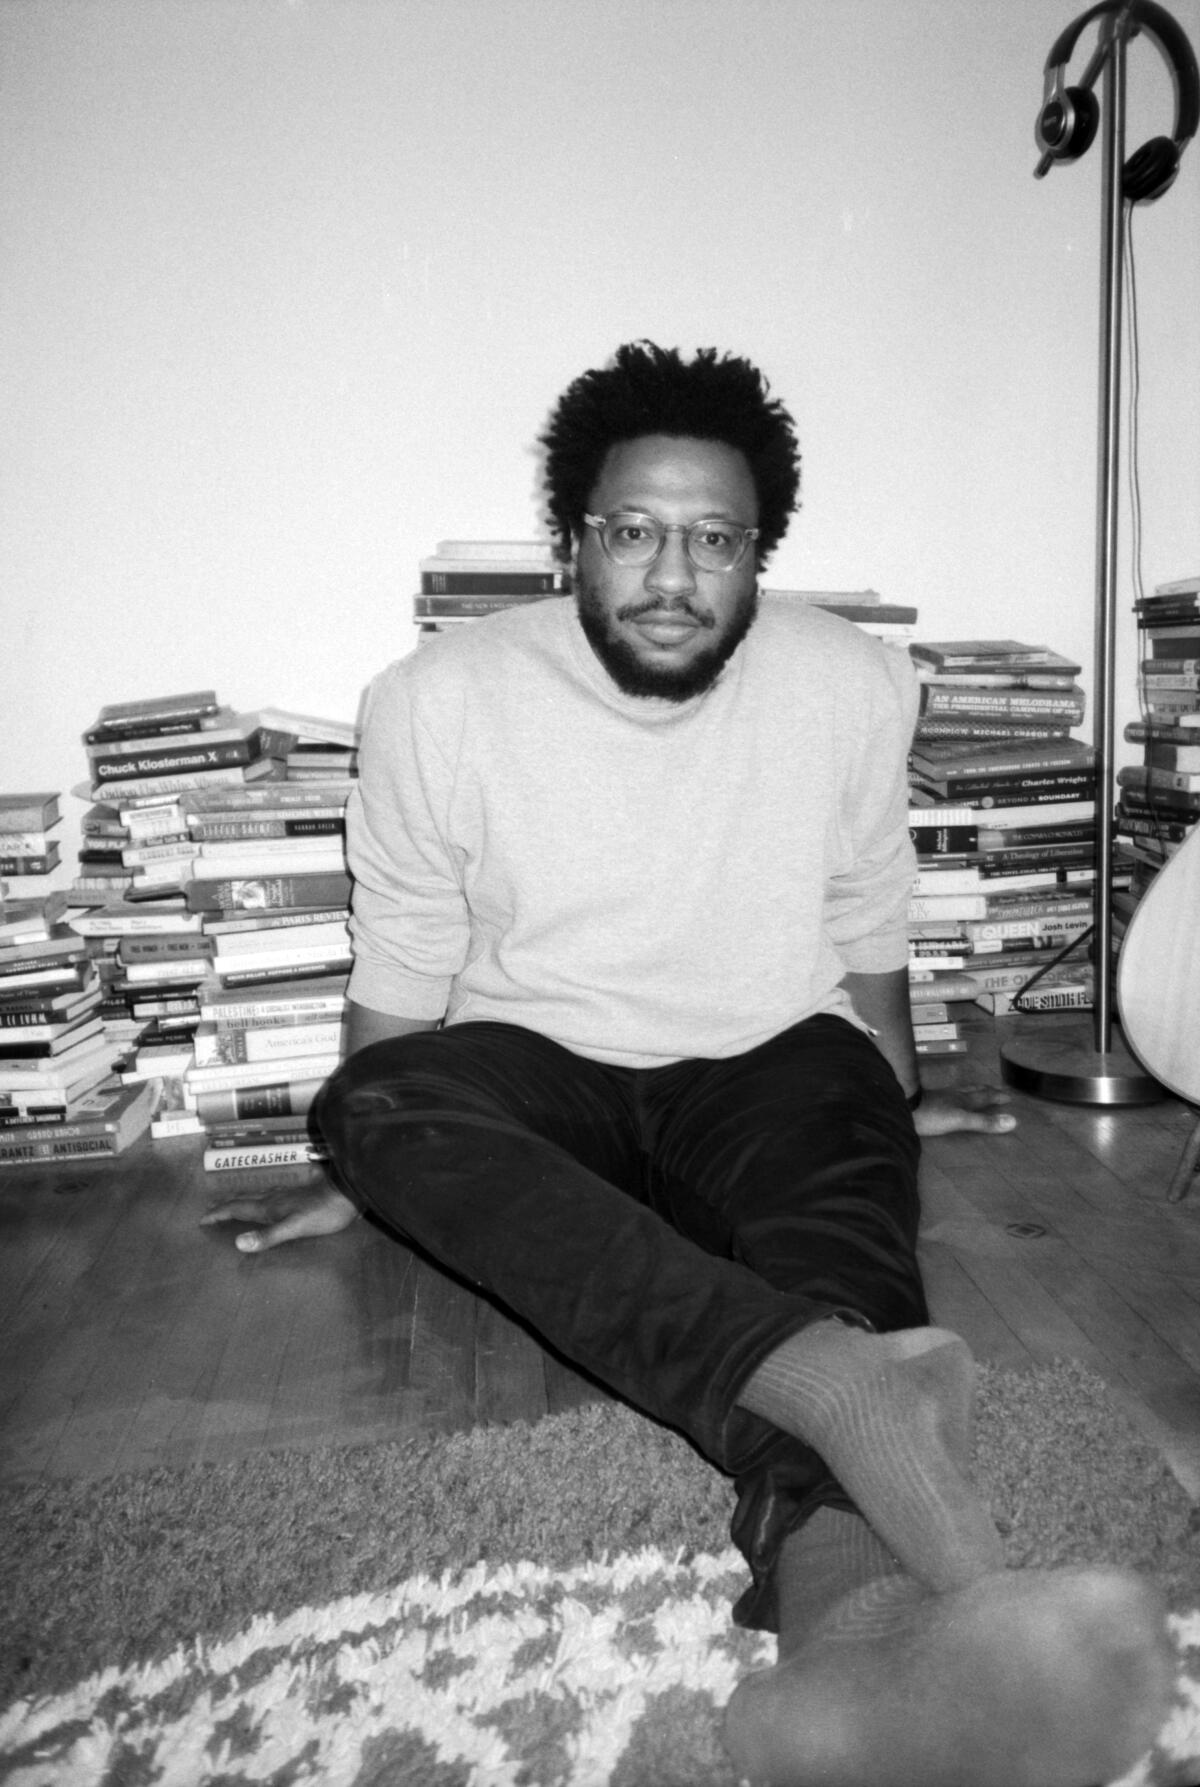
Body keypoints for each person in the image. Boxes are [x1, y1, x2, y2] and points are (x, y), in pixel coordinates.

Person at [204, 343, 1173, 1786]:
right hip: (538, 1065)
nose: (672, 573)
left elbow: (866, 904)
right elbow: (403, 958)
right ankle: (832, 1383)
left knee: (837, 1213)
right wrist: (373, 1174)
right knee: (374, 1104)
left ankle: (846, 1657)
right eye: (634, 532)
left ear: (757, 554)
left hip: (769, 1056)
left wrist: (891, 1104)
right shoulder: (436, 696)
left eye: (714, 539)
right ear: (574, 539)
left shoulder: (851, 681)